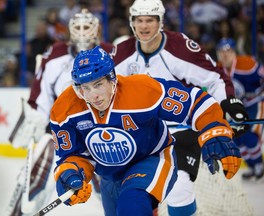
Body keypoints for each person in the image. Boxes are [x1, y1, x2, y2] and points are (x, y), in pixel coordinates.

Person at [51, 45, 241, 216]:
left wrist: (214, 129)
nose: (93, 95)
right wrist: (71, 174)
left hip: (151, 158)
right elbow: (72, 155)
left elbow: (195, 102)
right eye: (86, 87)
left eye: (99, 84)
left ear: (112, 78)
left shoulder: (142, 90)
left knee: (131, 206)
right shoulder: (65, 109)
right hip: (109, 175)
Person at [110, 0, 249, 215]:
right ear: (132, 22)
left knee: (178, 186)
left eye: (150, 20)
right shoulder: (121, 53)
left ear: (160, 22)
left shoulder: (180, 47)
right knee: (138, 192)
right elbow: (103, 89)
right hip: (142, 133)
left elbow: (215, 79)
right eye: (139, 21)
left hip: (180, 131)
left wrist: (227, 103)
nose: (144, 26)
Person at [7, 9, 113, 215]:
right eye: (78, 27)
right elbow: (41, 93)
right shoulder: (54, 54)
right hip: (61, 132)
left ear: (96, 30)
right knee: (32, 179)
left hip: (102, 132)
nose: (82, 32)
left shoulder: (110, 52)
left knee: (112, 185)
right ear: (70, 30)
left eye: (86, 27)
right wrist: (36, 116)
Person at [216, 38, 264, 180]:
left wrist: (260, 91)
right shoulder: (217, 69)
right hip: (234, 109)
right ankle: (252, 167)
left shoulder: (247, 64)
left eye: (228, 51)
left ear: (234, 53)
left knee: (249, 136)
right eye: (222, 52)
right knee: (236, 140)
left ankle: (259, 166)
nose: (225, 55)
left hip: (253, 104)